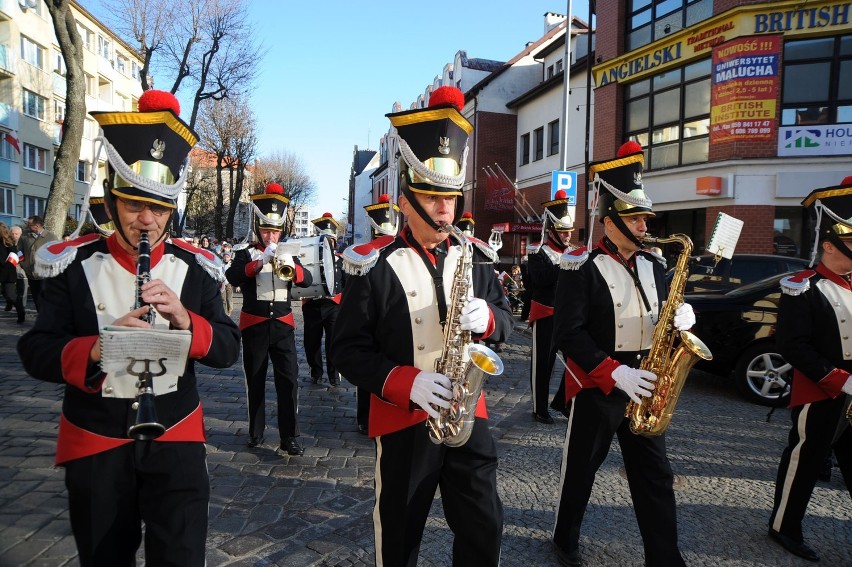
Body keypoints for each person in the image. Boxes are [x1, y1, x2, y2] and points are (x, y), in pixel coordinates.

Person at [16, 90, 241, 566]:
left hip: (176, 436)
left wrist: (186, 320)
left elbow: (226, 350)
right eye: (135, 203)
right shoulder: (71, 264)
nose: (147, 219)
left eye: (159, 207)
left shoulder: (195, 267)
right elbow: (35, 351)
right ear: (114, 197)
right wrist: (98, 348)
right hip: (95, 441)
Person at [332, 85, 512, 566]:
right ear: (406, 201)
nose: (445, 210)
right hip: (404, 419)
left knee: (484, 525)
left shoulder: (474, 259)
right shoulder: (373, 265)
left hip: (468, 414)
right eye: (432, 198)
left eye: (450, 198)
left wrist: (489, 317)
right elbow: (346, 350)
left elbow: (507, 323)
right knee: (400, 535)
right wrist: (405, 382)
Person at [551, 141, 695, 567]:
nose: (644, 225)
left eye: (645, 217)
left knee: (656, 476)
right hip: (600, 384)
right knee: (581, 470)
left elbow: (662, 315)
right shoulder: (581, 265)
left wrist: (683, 319)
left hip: (648, 383)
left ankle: (665, 557)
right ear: (609, 220)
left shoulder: (655, 264)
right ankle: (565, 538)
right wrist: (615, 374)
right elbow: (567, 334)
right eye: (634, 218)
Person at [768, 178, 852, 562]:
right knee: (805, 460)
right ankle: (784, 526)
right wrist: (840, 379)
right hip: (823, 389)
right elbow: (791, 345)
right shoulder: (803, 287)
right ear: (831, 246)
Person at [225, 183, 313, 456]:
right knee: (255, 380)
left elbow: (307, 280)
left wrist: (290, 264)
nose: (271, 236)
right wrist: (259, 262)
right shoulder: (245, 252)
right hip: (254, 326)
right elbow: (233, 277)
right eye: (266, 230)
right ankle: (256, 432)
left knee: (289, 382)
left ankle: (290, 437)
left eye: (274, 230)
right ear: (257, 227)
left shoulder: (290, 252)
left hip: (284, 326)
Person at [526, 189, 575, 423]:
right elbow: (539, 281)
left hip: (569, 317)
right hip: (545, 314)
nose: (567, 236)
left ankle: (563, 401)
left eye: (569, 232)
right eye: (563, 232)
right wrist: (565, 265)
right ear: (553, 230)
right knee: (542, 365)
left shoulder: (574, 254)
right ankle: (539, 408)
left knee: (577, 361)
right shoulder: (537, 253)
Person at [303, 212, 343, 386]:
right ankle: (316, 372)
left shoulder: (341, 261)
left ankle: (334, 375)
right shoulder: (309, 259)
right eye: (324, 239)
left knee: (333, 343)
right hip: (312, 304)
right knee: (311, 343)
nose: (328, 243)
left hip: (333, 306)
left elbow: (347, 285)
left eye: (330, 240)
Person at [19, 214, 58, 311]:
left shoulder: (51, 237)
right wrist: (23, 264)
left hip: (45, 274)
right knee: (36, 298)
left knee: (46, 298)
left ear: (37, 226)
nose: (27, 226)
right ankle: (41, 317)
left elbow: (56, 255)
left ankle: (48, 318)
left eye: (29, 224)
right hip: (31, 273)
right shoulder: (24, 235)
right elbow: (19, 250)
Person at [0, 222, 24, 323]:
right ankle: (9, 303)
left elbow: (13, 258)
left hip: (7, 272)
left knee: (11, 295)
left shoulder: (8, 242)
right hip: (2, 271)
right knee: (5, 292)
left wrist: (4, 272)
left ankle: (21, 313)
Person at [221, 250, 234, 316]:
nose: (226, 258)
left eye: (227, 257)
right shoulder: (220, 264)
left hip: (229, 283)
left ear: (230, 257)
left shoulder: (231, 264)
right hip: (222, 283)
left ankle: (229, 311)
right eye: (225, 257)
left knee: (229, 298)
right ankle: (224, 312)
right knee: (223, 299)